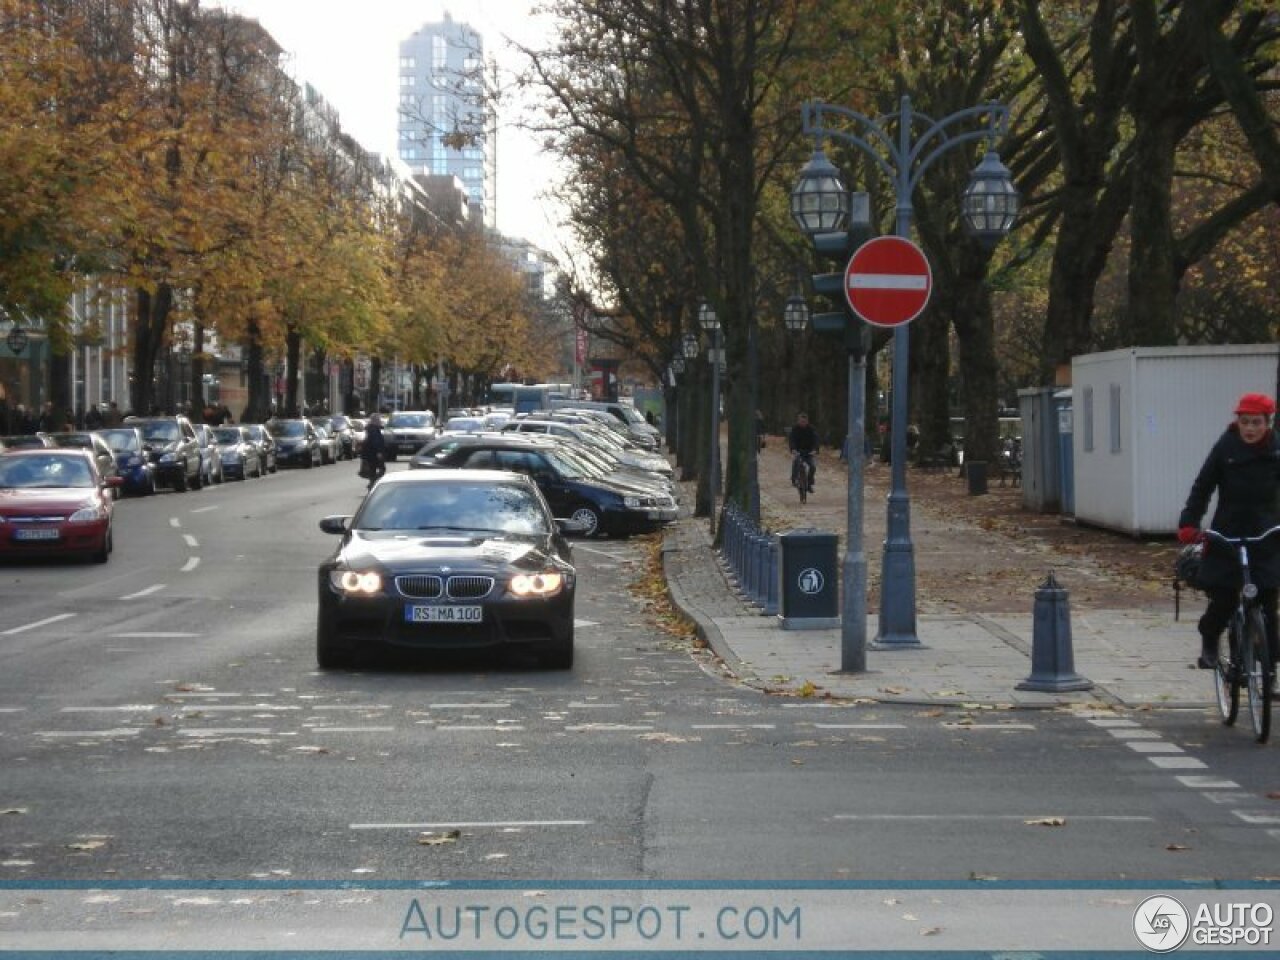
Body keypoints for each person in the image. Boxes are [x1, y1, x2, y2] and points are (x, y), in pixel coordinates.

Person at [1178, 392, 1280, 670]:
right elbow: (1203, 486)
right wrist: (1189, 523)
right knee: (1224, 598)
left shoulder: (1275, 449)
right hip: (1228, 533)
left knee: (1267, 603)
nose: (1250, 428)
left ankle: (1268, 670)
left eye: (1256, 422)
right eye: (1245, 422)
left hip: (1265, 533)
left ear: (1267, 423)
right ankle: (1210, 637)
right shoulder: (1226, 447)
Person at [787, 411, 819, 492]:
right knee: (796, 462)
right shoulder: (794, 429)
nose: (803, 423)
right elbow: (791, 440)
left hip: (809, 452)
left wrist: (815, 450)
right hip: (798, 451)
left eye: (804, 421)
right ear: (798, 421)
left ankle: (809, 483)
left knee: (813, 466)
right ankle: (794, 479)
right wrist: (793, 449)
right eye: (801, 421)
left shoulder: (812, 429)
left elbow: (816, 440)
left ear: (807, 421)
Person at [360, 412, 387, 491]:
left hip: (369, 454)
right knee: (381, 469)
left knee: (373, 470)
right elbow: (376, 441)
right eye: (378, 420)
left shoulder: (371, 428)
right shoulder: (373, 429)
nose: (380, 421)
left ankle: (372, 483)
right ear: (375, 421)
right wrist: (379, 452)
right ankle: (373, 483)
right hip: (374, 454)